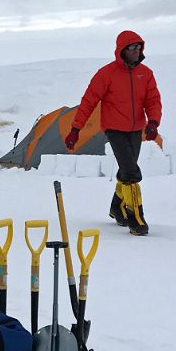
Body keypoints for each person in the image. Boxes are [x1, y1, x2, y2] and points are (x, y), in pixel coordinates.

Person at [65, 30, 161, 236]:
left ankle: (116, 207)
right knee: (131, 172)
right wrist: (75, 129)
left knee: (127, 170)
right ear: (122, 50)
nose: (137, 51)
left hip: (136, 129)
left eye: (139, 47)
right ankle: (136, 217)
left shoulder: (146, 73)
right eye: (132, 48)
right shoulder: (106, 74)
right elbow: (89, 101)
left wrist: (153, 122)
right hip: (114, 129)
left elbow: (153, 100)